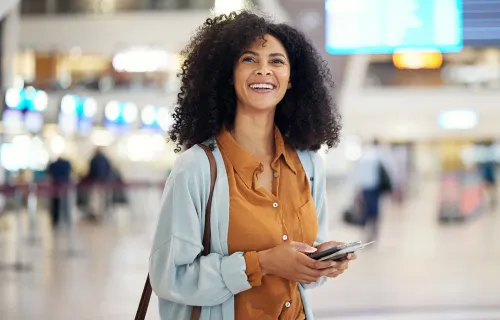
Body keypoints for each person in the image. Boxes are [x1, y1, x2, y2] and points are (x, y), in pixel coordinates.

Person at [149, 11, 356, 320]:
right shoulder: (195, 168)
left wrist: (321, 262)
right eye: (249, 60)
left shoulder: (309, 165)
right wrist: (263, 263)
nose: (263, 70)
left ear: (291, 80)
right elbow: (171, 277)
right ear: (227, 75)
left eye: (276, 61)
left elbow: (307, 261)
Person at [355, 139, 392, 242]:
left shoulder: (365, 155)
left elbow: (359, 174)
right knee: (375, 211)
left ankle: (366, 234)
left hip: (366, 187)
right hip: (376, 187)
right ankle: (374, 234)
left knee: (366, 210)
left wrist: (358, 190)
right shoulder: (382, 155)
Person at [47, 156, 72, 226]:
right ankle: (66, 219)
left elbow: (48, 172)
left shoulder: (53, 164)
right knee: (66, 203)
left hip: (55, 186)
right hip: (65, 186)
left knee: (56, 203)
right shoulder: (67, 164)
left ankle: (55, 220)